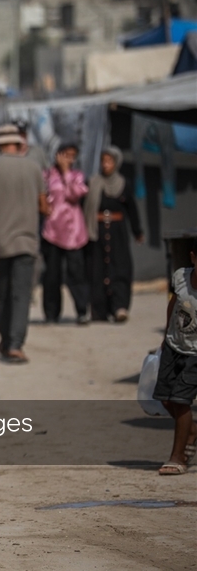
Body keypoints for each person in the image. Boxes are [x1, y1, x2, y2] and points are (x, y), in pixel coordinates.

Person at [0, 123, 48, 363]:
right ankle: (16, 344)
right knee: (21, 294)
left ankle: (6, 339)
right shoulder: (34, 167)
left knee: (3, 293)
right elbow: (43, 206)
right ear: (19, 144)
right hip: (27, 240)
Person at [83, 146, 144, 322]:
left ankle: (120, 307)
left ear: (116, 163)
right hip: (96, 232)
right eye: (103, 161)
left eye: (109, 161)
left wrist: (137, 231)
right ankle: (99, 311)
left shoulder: (123, 184)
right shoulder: (93, 182)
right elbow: (83, 207)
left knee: (120, 267)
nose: (106, 165)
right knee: (96, 270)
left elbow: (131, 208)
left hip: (118, 233)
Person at [154, 239, 197, 475]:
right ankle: (191, 430)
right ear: (193, 258)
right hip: (173, 345)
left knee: (181, 401)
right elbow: (174, 305)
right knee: (165, 398)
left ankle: (177, 457)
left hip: (195, 354)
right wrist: (165, 335)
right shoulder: (181, 277)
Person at [41, 142, 90, 324]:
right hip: (52, 231)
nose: (68, 159)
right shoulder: (47, 175)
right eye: (65, 155)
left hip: (73, 233)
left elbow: (75, 195)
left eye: (72, 155)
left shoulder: (77, 176)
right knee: (52, 274)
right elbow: (42, 195)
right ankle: (51, 313)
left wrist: (66, 173)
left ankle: (82, 310)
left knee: (76, 272)